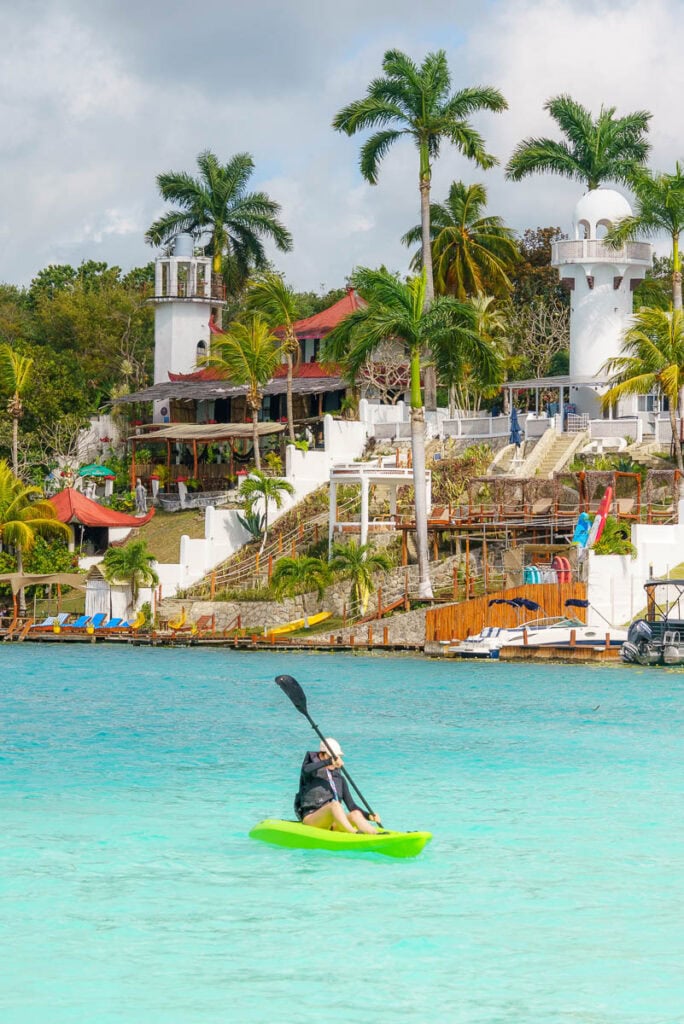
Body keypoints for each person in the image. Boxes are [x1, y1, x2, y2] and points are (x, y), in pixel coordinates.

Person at [294, 737, 380, 834]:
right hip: (312, 818)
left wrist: (369, 816)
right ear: (321, 755)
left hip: (332, 823)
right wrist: (329, 762)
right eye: (331, 757)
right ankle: (353, 833)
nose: (335, 760)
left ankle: (375, 834)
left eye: (337, 757)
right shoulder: (310, 773)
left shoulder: (340, 779)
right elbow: (306, 769)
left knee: (355, 814)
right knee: (335, 805)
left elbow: (351, 805)